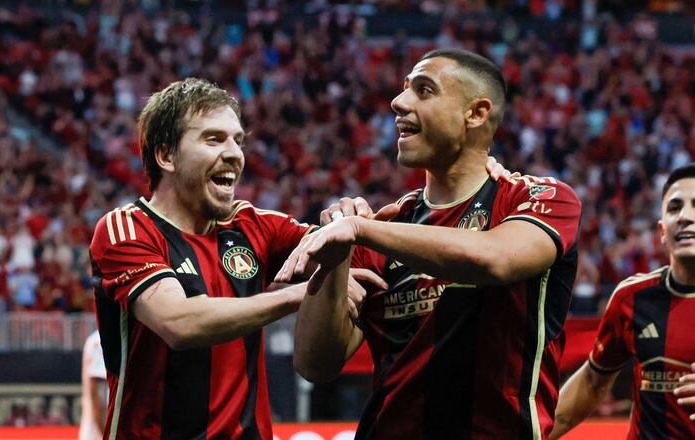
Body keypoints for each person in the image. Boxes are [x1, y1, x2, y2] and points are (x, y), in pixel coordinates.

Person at [88, 77, 513, 439]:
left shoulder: (254, 226)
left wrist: (471, 173)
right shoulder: (126, 229)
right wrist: (296, 297)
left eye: (238, 140)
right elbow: (178, 323)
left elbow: (355, 248)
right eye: (213, 139)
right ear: (166, 156)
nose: (234, 153)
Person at [275, 48, 582, 439]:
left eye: (424, 90)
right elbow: (315, 364)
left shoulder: (537, 198)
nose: (398, 103)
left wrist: (359, 230)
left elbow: (498, 259)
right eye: (404, 90)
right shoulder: (388, 226)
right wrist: (336, 262)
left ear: (476, 113)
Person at [550, 163, 695, 439]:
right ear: (662, 230)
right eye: (674, 208)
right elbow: (592, 382)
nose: (685, 216)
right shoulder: (631, 297)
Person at [79, 330, 107, 440]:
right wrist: (105, 434)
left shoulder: (97, 338)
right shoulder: (100, 340)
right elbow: (96, 393)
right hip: (98, 432)